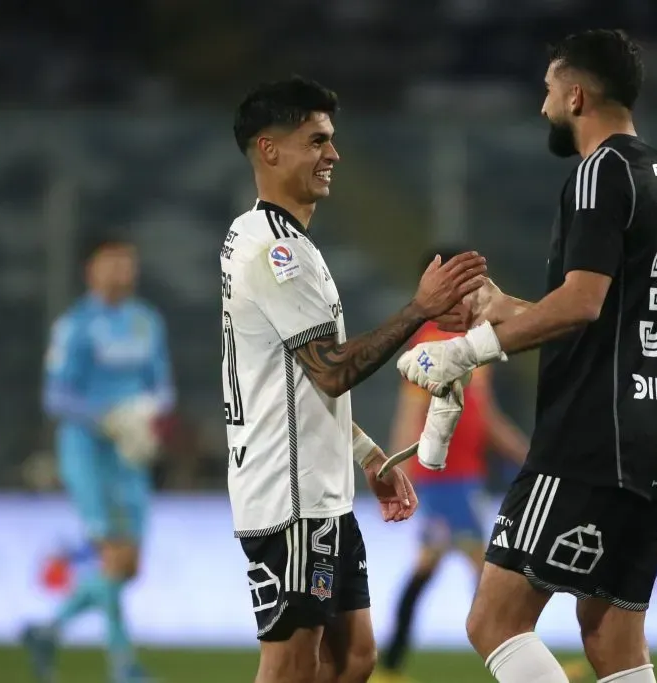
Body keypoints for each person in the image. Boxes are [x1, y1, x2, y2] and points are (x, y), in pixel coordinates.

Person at [397, 30, 657, 683]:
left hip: (588, 436)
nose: (543, 107)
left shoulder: (598, 173)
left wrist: (465, 350)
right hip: (650, 433)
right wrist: (504, 306)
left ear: (576, 95)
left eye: (549, 91)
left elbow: (582, 303)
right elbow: (610, 314)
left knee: (494, 620)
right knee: (612, 635)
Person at [224, 77, 487, 683]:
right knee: (293, 662)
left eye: (332, 140)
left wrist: (369, 454)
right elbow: (332, 370)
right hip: (289, 498)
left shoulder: (284, 243)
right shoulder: (274, 253)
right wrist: (418, 309)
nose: (333, 154)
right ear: (270, 149)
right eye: (316, 140)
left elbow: (300, 379)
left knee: (353, 658)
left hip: (320, 490)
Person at [375, 247, 589, 683]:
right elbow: (412, 412)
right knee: (486, 570)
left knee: (429, 568)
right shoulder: (434, 342)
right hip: (443, 480)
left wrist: (525, 452)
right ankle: (521, 661)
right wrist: (395, 470)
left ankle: (390, 668)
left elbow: (483, 416)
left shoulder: (471, 341)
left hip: (465, 475)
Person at [22, 238, 176, 683]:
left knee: (128, 566)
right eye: (112, 262)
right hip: (88, 454)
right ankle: (124, 668)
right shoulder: (76, 326)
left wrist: (145, 414)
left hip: (131, 455)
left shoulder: (146, 322)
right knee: (113, 558)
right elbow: (55, 397)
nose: (122, 270)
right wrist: (106, 419)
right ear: (90, 269)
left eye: (128, 262)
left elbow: (162, 386)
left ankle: (47, 630)